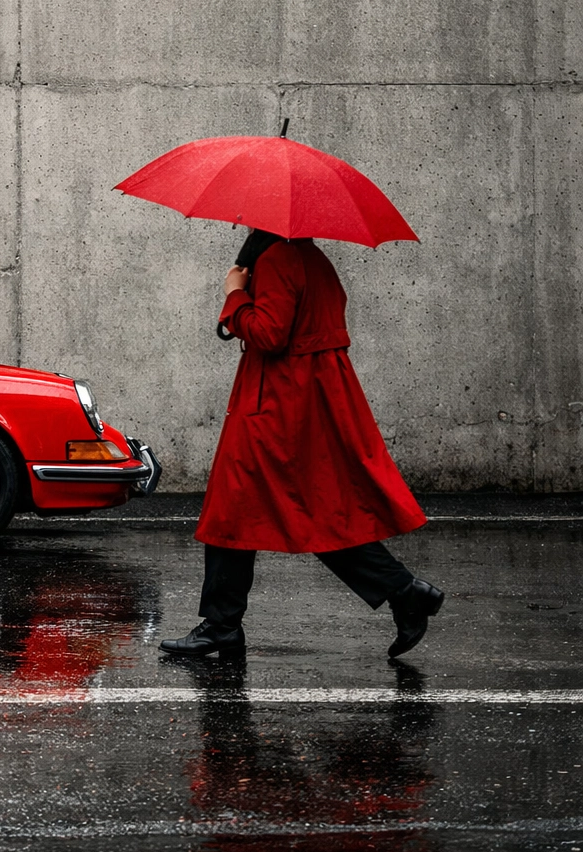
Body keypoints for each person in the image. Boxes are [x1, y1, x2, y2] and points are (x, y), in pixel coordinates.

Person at [160, 230, 442, 660]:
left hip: (277, 403)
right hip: (306, 397)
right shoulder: (312, 258)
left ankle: (222, 625)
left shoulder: (277, 259)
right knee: (314, 512)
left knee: (234, 509)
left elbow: (270, 334)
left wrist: (235, 295)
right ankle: (403, 592)